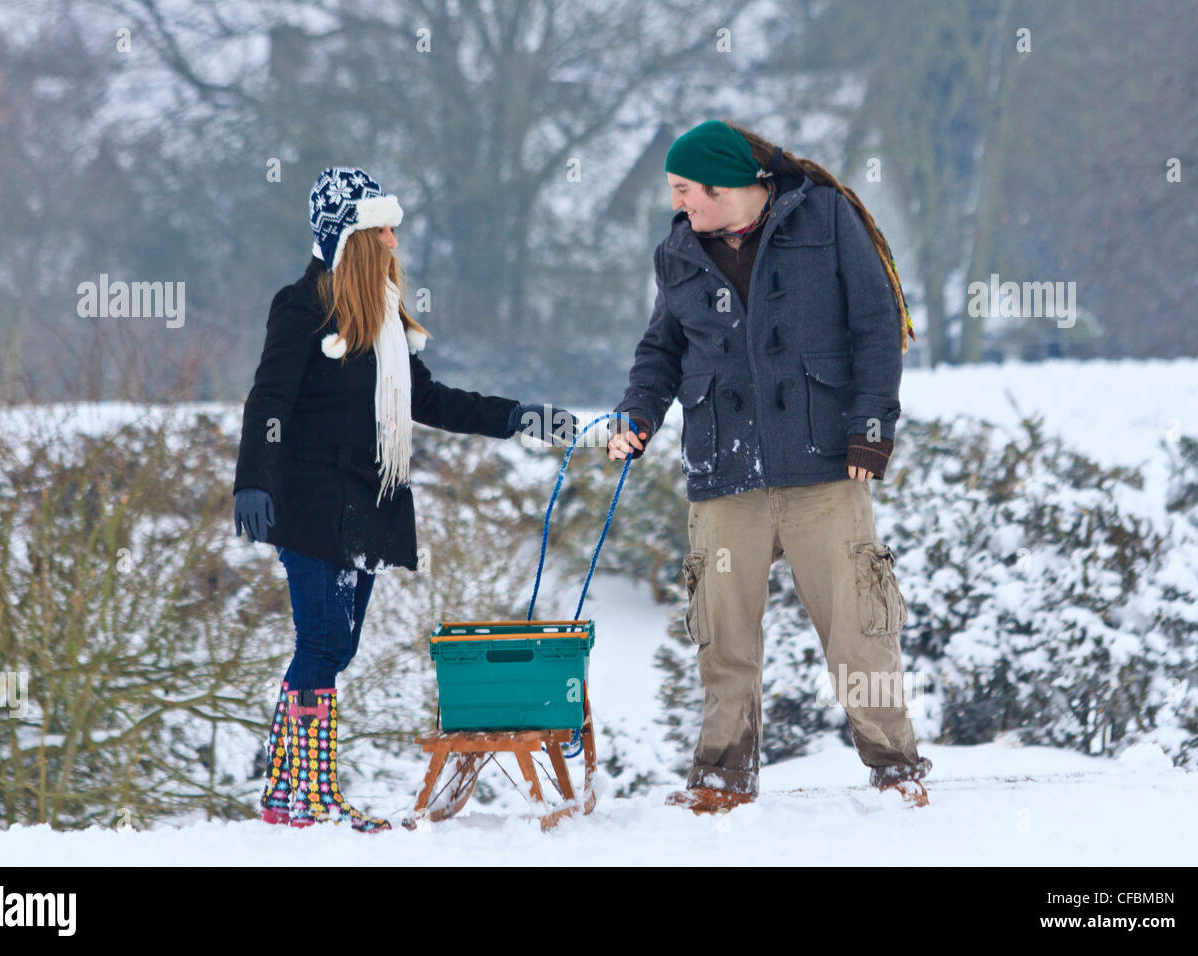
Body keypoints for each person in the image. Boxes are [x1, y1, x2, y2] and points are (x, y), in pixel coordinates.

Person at [233, 166, 575, 832]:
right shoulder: (301, 307)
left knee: (335, 648)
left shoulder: (383, 319)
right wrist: (253, 478)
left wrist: (520, 417)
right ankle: (308, 796)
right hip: (307, 505)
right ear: (349, 238)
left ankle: (287, 793)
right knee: (322, 645)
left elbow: (432, 400)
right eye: (381, 229)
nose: (393, 241)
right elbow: (268, 399)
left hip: (367, 504)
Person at [607, 120, 931, 812]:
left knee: (858, 631)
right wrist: (637, 415)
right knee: (722, 637)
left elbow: (876, 322)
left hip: (824, 467)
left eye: (687, 191)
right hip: (725, 470)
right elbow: (661, 347)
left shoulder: (825, 215)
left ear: (729, 187)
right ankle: (722, 779)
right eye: (676, 192)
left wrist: (872, 429)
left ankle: (897, 771)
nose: (680, 204)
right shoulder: (679, 249)